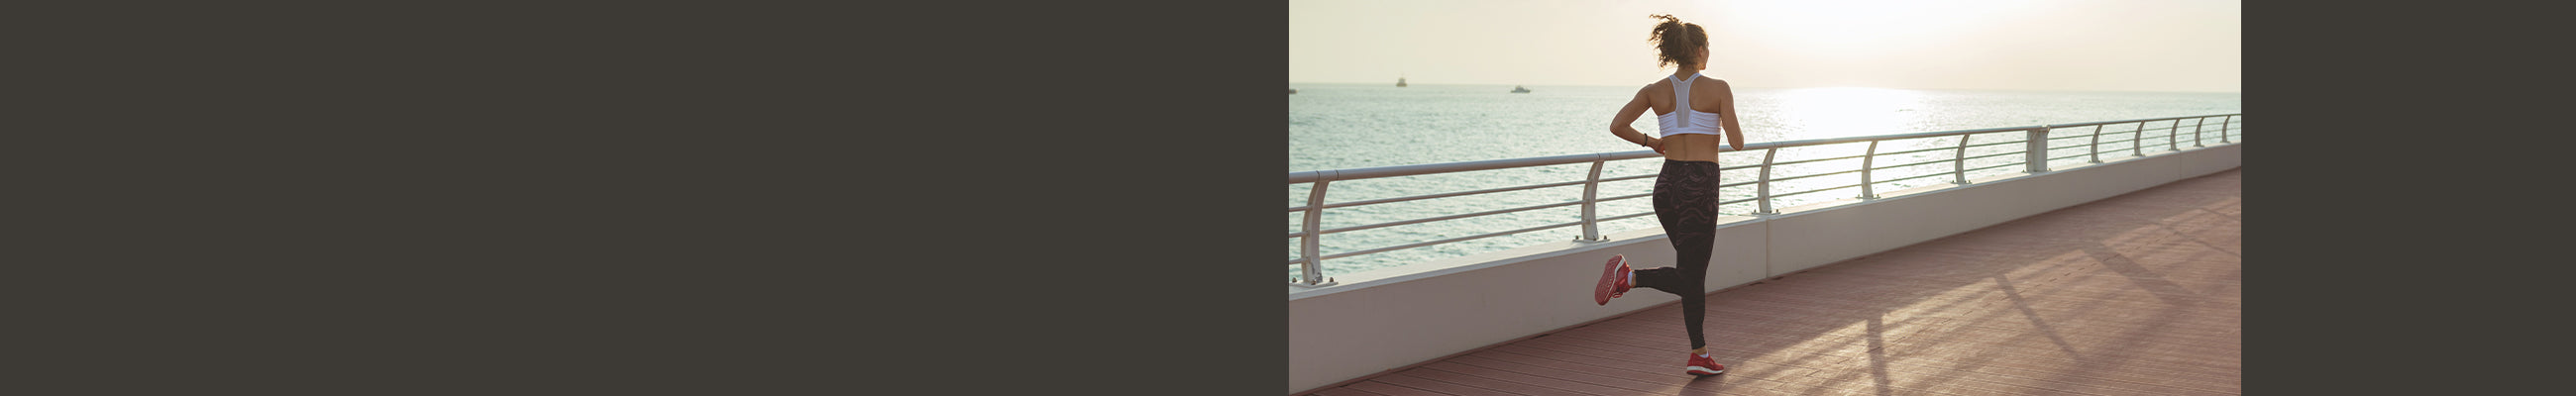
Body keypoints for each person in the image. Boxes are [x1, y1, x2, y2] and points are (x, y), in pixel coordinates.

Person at [1590, 13, 1748, 377]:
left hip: (1666, 187)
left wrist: (1652, 141)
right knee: (1691, 276)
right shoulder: (1718, 87)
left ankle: (1699, 353)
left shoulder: (1654, 90)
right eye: (1707, 47)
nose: (1709, 53)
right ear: (1697, 50)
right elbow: (1738, 143)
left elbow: (1617, 126)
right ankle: (1628, 277)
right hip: (1700, 186)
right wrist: (1720, 121)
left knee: (1689, 275)